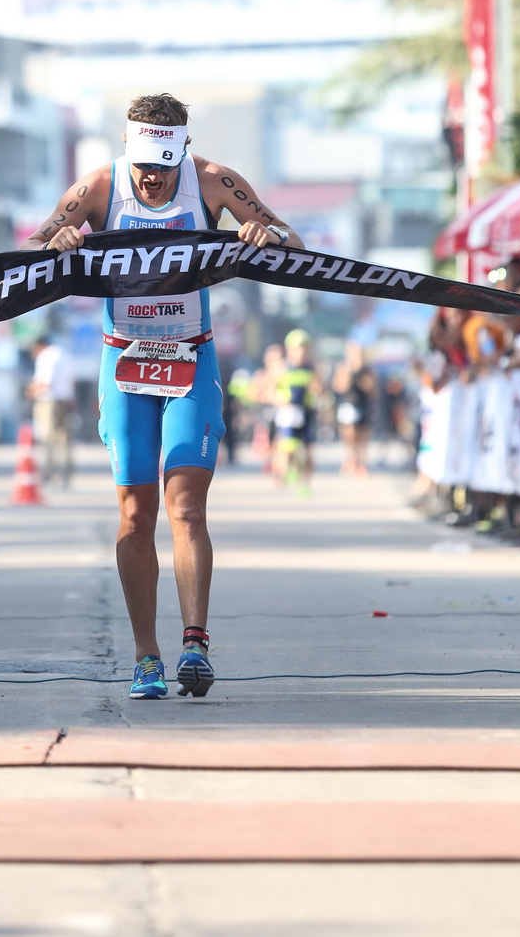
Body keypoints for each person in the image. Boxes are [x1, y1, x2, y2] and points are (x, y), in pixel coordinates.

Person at [23, 92, 303, 701]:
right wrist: (57, 242)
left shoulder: (215, 181)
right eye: (143, 164)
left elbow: (296, 245)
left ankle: (194, 644)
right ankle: (145, 656)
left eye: (164, 165)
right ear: (126, 146)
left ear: (184, 150)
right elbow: (29, 254)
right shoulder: (97, 188)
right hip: (124, 363)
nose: (152, 177)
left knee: (188, 508)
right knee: (134, 514)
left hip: (190, 358)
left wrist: (266, 233)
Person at [272, 329, 322, 487]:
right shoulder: (282, 368)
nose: (301, 352)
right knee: (286, 447)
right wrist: (278, 398)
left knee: (308, 449)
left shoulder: (311, 368)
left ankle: (305, 481)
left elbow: (320, 388)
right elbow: (269, 388)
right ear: (289, 349)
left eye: (304, 348)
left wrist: (316, 389)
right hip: (288, 413)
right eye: (297, 348)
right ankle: (283, 473)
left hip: (306, 412)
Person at [28, 333, 76, 486]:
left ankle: (49, 473)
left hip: (49, 401)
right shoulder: (65, 354)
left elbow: (46, 382)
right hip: (65, 400)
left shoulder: (46, 356)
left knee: (48, 438)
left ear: (39, 345)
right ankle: (66, 474)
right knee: (65, 439)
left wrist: (30, 391)